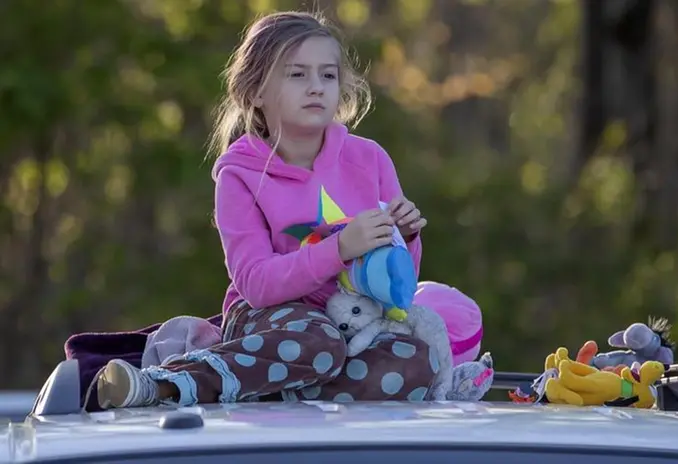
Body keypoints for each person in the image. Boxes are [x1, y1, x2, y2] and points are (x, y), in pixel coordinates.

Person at [93, 10, 438, 409]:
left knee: (416, 360)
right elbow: (255, 284)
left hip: (357, 318)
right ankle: (166, 385)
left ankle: (259, 387)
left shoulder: (370, 158)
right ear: (255, 92)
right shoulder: (240, 176)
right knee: (317, 343)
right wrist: (341, 247)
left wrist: (405, 238)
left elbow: (399, 285)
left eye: (328, 75)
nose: (316, 87)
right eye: (297, 75)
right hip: (271, 318)